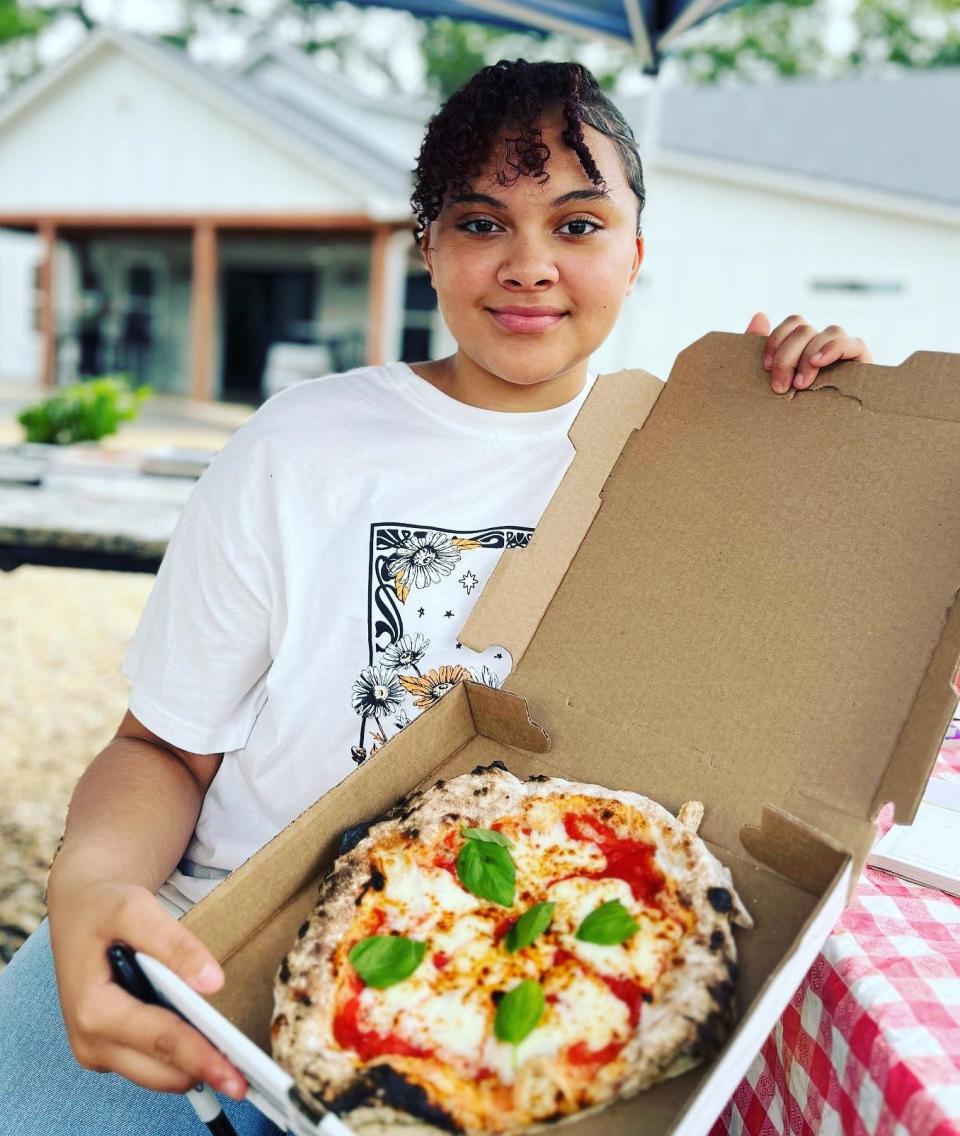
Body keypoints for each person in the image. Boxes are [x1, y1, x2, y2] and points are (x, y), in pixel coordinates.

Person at [0, 58, 873, 1135]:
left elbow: (808, 692)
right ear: (425, 247)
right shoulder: (299, 446)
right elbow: (164, 750)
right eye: (479, 221)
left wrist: (839, 455)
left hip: (517, 981)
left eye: (580, 224)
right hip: (214, 938)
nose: (529, 265)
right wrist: (88, 884)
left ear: (637, 253)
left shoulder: (691, 473)